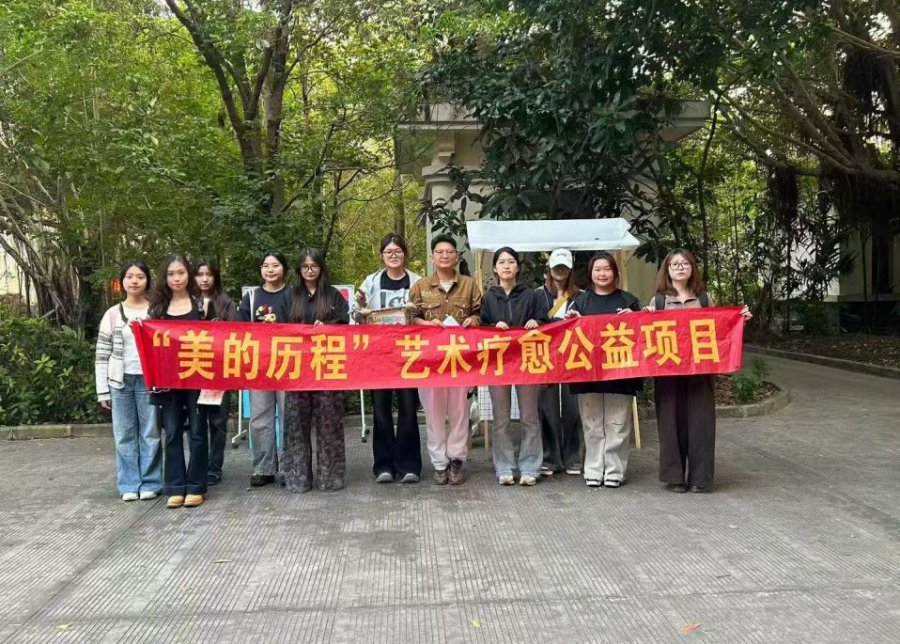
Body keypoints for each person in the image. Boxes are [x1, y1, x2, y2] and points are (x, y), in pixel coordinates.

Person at [647, 248, 751, 494]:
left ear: (692, 268)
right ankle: (674, 476)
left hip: (700, 369)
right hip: (668, 370)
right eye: (674, 264)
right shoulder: (658, 301)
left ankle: (700, 477)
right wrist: (646, 317)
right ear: (667, 270)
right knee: (670, 422)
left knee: (701, 421)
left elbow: (718, 330)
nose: (680, 268)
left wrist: (738, 320)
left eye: (685, 263)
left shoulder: (704, 299)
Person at [408, 234, 482, 486]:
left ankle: (457, 460)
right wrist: (425, 323)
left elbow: (480, 313)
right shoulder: (420, 286)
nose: (444, 256)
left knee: (460, 413)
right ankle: (439, 463)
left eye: (449, 251)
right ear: (432, 257)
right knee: (434, 414)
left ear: (456, 257)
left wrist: (473, 320)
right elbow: (410, 318)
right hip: (430, 361)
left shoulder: (469, 285)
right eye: (439, 252)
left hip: (461, 359)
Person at [566, 251, 642, 488]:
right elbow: (568, 334)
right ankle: (593, 469)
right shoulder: (580, 302)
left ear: (615, 272)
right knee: (591, 424)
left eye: (607, 269)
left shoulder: (629, 301)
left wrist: (636, 318)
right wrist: (572, 319)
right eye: (597, 269)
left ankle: (614, 470)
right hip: (588, 372)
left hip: (621, 372)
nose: (602, 274)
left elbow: (643, 334)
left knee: (618, 424)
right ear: (590, 273)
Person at [354, 233, 423, 484]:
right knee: (381, 410)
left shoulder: (417, 282)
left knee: (408, 409)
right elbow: (356, 314)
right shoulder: (370, 282)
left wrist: (416, 312)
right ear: (381, 255)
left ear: (405, 254)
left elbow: (425, 313)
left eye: (398, 251)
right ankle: (383, 465)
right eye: (388, 252)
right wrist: (361, 311)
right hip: (379, 353)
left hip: (408, 353)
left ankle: (409, 466)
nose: (393, 256)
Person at [282, 248, 350, 493]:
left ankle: (330, 478)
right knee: (295, 425)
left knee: (329, 422)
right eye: (305, 267)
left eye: (314, 266)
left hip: (327, 367)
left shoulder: (333, 295)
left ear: (321, 268)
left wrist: (327, 326)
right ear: (299, 270)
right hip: (297, 368)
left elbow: (345, 324)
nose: (309, 271)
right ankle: (297, 478)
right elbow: (278, 329)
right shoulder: (290, 296)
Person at [95, 261, 161, 502]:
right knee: (123, 434)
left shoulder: (156, 312)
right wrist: (103, 391)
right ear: (122, 281)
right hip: (119, 381)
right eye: (130, 276)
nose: (135, 281)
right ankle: (129, 484)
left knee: (150, 433)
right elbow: (102, 355)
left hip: (148, 380)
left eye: (140, 276)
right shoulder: (112, 314)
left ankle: (151, 482)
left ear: (147, 281)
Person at [480, 247, 546, 486]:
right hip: (498, 363)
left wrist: (536, 322)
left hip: (526, 361)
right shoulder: (488, 298)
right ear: (495, 268)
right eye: (501, 262)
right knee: (501, 419)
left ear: (518, 267)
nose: (506, 266)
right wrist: (492, 327)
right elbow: (480, 327)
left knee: (530, 417)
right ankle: (504, 466)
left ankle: (530, 467)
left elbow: (545, 322)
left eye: (511, 262)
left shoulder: (532, 295)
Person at [149, 255, 208, 508]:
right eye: (171, 274)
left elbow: (215, 340)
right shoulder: (157, 309)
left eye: (181, 273)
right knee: (171, 431)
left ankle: (196, 486)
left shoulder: (202, 305)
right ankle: (174, 486)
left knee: (198, 430)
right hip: (168, 379)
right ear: (165, 277)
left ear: (189, 275)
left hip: (198, 376)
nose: (176, 278)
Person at [236, 251, 291, 487]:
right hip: (258, 366)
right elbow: (238, 329)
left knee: (289, 417)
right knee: (260, 419)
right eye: (266, 266)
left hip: (289, 365)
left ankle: (289, 467)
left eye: (275, 265)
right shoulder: (251, 297)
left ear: (284, 269)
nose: (270, 270)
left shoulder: (293, 295)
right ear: (260, 270)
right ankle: (263, 468)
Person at [534, 248, 584, 477]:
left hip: (573, 356)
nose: (560, 270)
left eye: (564, 267)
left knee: (574, 407)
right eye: (556, 267)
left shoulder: (582, 296)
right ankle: (550, 457)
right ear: (549, 268)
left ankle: (573, 456)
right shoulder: (537, 295)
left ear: (571, 269)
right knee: (547, 406)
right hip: (546, 356)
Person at [194, 258, 236, 486]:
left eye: (208, 274)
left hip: (219, 370)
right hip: (192, 369)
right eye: (199, 274)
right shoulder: (184, 302)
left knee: (218, 422)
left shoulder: (226, 303)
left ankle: (214, 467)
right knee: (195, 421)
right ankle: (197, 465)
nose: (204, 279)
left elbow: (234, 336)